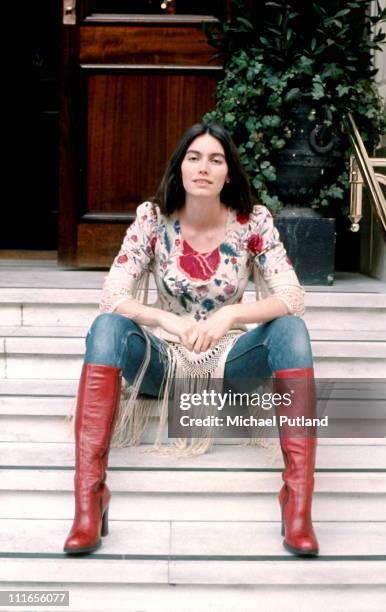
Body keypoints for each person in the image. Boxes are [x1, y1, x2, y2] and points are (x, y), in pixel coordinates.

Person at [63, 122, 319, 558]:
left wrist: (232, 314)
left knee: (292, 330)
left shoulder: (252, 221)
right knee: (107, 326)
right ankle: (90, 501)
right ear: (179, 168)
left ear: (229, 174)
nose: (204, 168)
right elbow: (113, 295)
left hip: (231, 364)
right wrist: (168, 321)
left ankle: (297, 505)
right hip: (162, 362)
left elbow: (293, 296)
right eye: (194, 157)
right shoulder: (152, 218)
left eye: (216, 160)